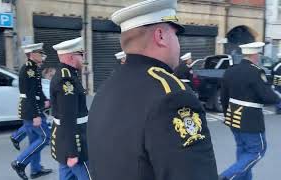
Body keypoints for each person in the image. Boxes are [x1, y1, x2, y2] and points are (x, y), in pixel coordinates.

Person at [87, 0, 218, 180]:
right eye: (176, 35)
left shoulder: (107, 86)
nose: (179, 45)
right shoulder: (173, 96)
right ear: (160, 36)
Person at [219, 42, 281, 180]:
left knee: (242, 150)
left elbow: (224, 97)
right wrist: (277, 97)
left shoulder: (230, 70)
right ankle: (226, 177)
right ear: (255, 55)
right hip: (250, 119)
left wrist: (226, 115)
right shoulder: (255, 71)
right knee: (257, 151)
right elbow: (267, 97)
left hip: (232, 116)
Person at [50, 37, 90, 180]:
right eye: (81, 55)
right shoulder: (66, 80)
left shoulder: (68, 75)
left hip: (65, 139)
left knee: (67, 175)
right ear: (71, 57)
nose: (83, 59)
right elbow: (68, 117)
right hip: (75, 140)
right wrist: (72, 152)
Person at [11, 43, 52, 180]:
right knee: (46, 137)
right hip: (31, 110)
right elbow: (29, 93)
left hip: (31, 108)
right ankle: (20, 162)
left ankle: (35, 169)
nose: (42, 55)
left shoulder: (33, 68)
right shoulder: (28, 70)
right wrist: (35, 115)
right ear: (31, 55)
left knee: (35, 140)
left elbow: (37, 90)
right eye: (39, 53)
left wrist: (45, 99)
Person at [10, 66, 55, 151]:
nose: (52, 77)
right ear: (45, 74)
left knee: (31, 125)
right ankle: (16, 137)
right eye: (51, 75)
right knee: (33, 124)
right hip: (40, 105)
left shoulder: (46, 82)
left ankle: (16, 137)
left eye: (54, 75)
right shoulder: (44, 82)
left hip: (43, 104)